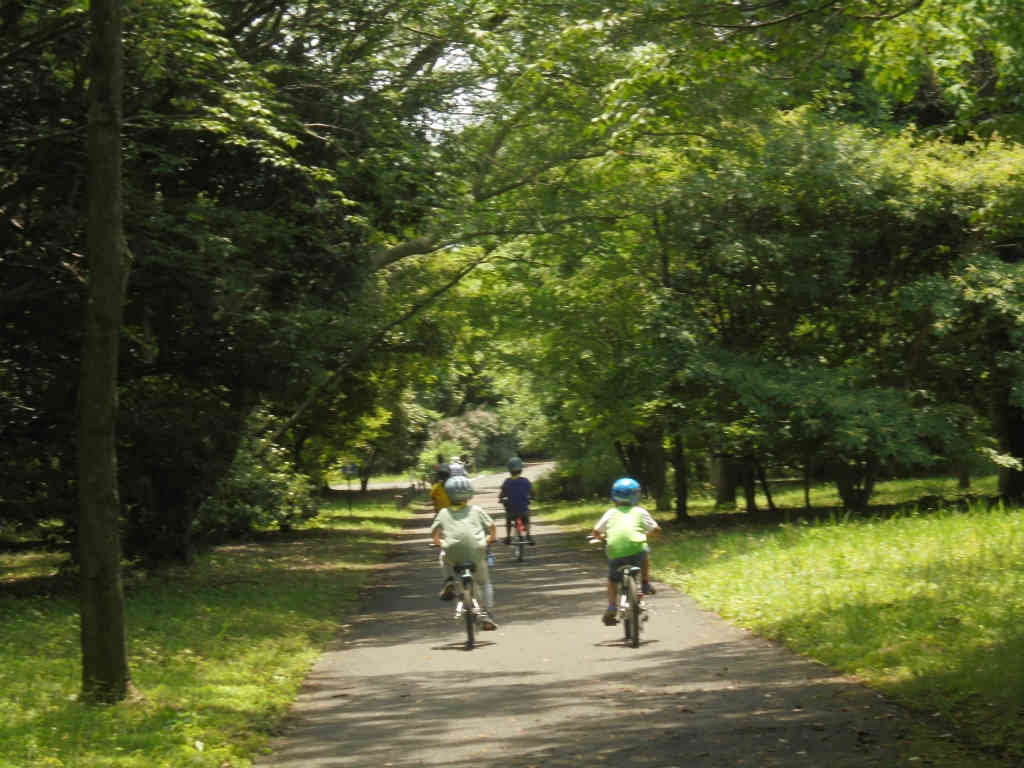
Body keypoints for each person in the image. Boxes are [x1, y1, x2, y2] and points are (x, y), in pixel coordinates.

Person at [589, 477, 660, 626]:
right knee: (645, 551)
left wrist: (602, 538)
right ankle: (646, 583)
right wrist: (646, 536)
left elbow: (595, 531)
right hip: (637, 550)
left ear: (614, 496)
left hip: (615, 552)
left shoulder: (611, 513)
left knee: (612, 579)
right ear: (636, 495)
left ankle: (612, 606)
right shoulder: (640, 511)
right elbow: (656, 529)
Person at [431, 475, 499, 630]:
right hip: (476, 554)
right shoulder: (476, 510)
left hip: (453, 555)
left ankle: (449, 580)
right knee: (485, 583)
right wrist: (490, 539)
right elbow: (492, 526)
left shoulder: (443, 513)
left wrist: (440, 543)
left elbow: (434, 533)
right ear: (469, 494)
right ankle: (486, 613)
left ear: (448, 494)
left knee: (443, 556)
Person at [429, 464, 456, 600]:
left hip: (443, 520)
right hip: (458, 517)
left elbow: (434, 504)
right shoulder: (455, 487)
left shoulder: (435, 489)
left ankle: (449, 579)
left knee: (443, 552)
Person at [499, 456, 535, 545]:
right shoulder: (526, 481)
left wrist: (500, 499)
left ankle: (508, 537)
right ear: (521, 469)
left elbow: (502, 494)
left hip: (511, 511)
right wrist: (533, 497)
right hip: (523, 510)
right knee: (526, 519)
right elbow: (532, 492)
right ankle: (529, 535)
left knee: (508, 520)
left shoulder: (507, 481)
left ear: (509, 470)